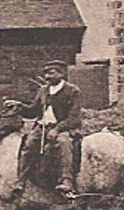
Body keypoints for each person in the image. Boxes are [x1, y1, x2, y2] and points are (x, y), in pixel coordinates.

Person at [8, 60, 83, 196]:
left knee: (63, 143)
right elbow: (34, 111)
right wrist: (19, 107)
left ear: (62, 73)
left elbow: (74, 118)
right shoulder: (43, 90)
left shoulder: (72, 90)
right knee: (29, 144)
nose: (47, 77)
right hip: (42, 127)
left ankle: (67, 181)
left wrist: (58, 129)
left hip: (63, 128)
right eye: (46, 73)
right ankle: (21, 181)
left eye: (51, 73)